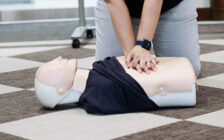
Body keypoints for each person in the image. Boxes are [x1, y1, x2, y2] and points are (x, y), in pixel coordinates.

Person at [35, 56, 197, 114]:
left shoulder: (97, 75)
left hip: (179, 70)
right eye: (53, 67)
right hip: (181, 80)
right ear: (60, 89)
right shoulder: (99, 91)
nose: (58, 58)